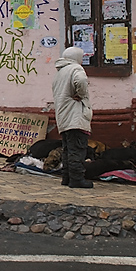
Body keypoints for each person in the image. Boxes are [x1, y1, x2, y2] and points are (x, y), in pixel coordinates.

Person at [51, 46, 94, 189]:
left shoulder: (60, 72)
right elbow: (81, 81)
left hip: (63, 116)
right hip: (75, 115)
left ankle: (67, 177)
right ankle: (76, 179)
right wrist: (81, 94)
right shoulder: (76, 69)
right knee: (77, 149)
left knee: (67, 149)